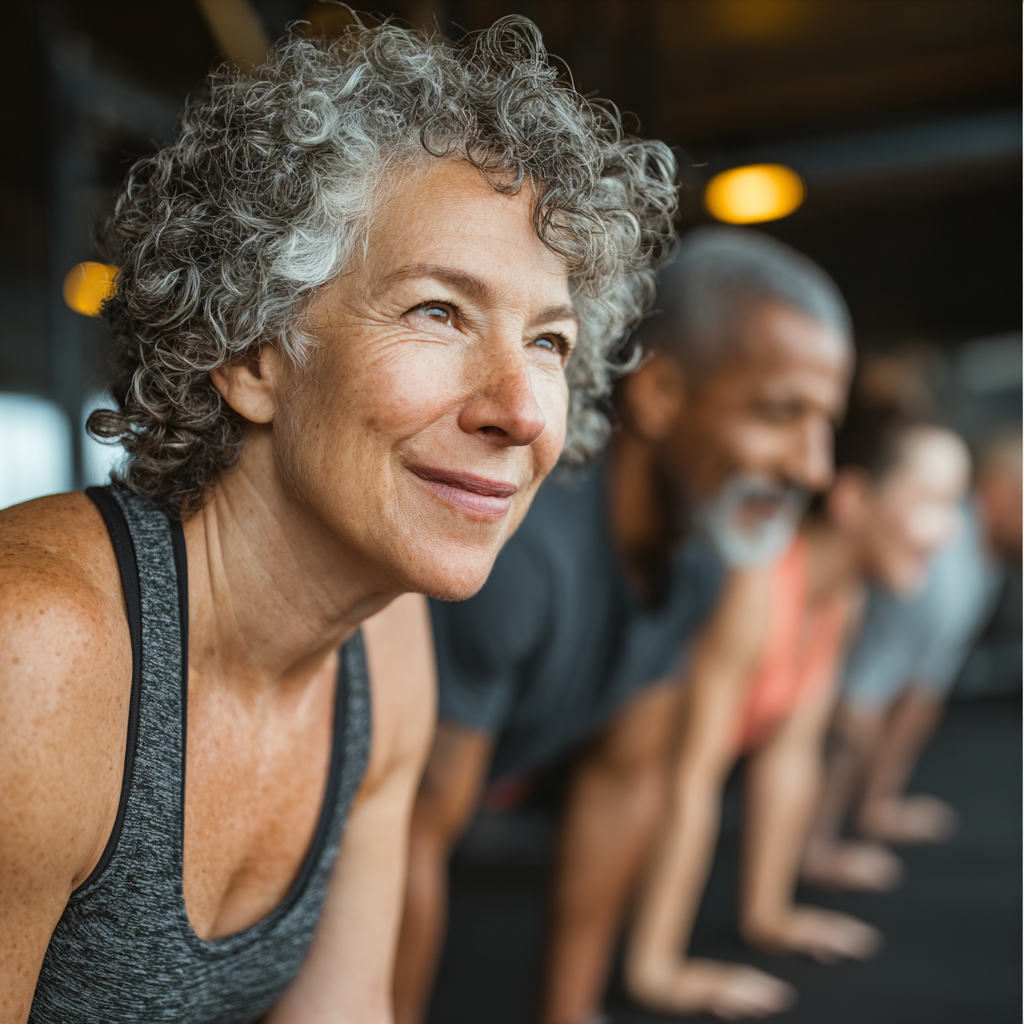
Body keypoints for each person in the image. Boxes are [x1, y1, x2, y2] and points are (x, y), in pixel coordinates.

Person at [0, 17, 677, 1023]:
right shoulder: (37, 651)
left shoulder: (385, 642)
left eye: (547, 340)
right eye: (437, 312)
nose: (524, 408)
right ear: (251, 355)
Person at [394, 227, 855, 1024]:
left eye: (825, 425)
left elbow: (622, 780)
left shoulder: (701, 558)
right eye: (781, 414)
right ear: (658, 394)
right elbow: (410, 838)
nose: (813, 468)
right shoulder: (528, 554)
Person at [624, 403, 971, 1020]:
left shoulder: (841, 599)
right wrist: (659, 969)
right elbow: (688, 779)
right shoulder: (758, 582)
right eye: (932, 504)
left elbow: (789, 755)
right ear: (854, 499)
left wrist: (769, 915)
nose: (949, 533)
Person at [803, 426, 1021, 889]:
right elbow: (854, 705)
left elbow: (922, 693)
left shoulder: (984, 567)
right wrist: (815, 849)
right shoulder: (941, 575)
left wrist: (877, 806)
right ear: (1000, 494)